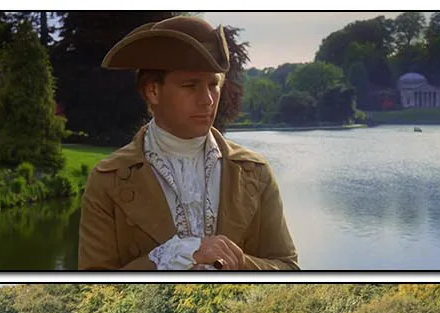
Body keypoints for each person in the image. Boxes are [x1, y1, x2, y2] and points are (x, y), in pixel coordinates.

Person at [78, 16, 298, 271]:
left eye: (213, 85)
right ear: (153, 91)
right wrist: (171, 257)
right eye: (190, 85)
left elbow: (288, 268)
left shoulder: (255, 173)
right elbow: (91, 284)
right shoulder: (108, 180)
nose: (207, 100)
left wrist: (235, 262)